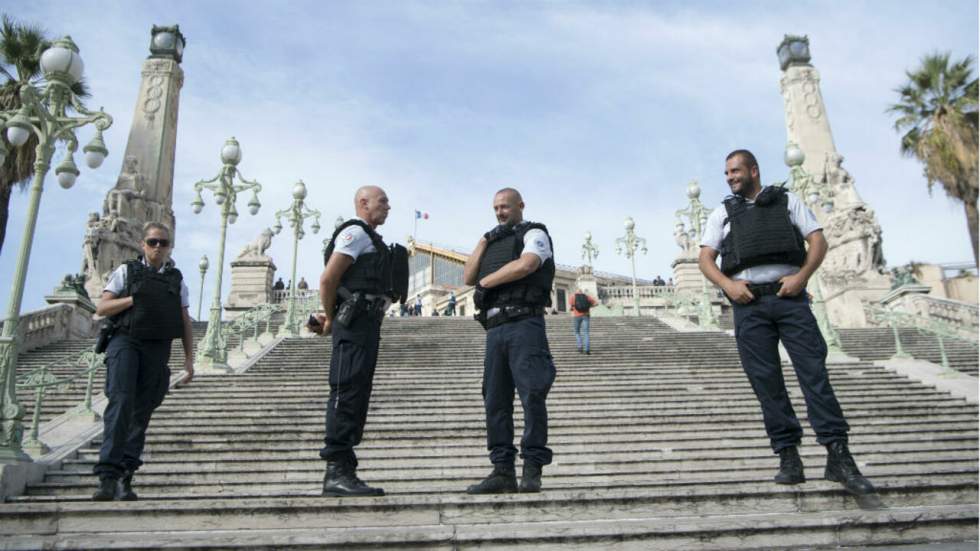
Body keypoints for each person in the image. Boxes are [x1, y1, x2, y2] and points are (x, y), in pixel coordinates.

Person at [698, 149, 874, 497]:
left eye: (735, 171)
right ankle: (788, 456)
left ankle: (838, 454)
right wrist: (728, 285)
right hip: (748, 303)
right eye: (727, 173)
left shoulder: (788, 201)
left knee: (815, 376)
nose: (730, 177)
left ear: (754, 170)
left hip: (789, 297)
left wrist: (802, 277)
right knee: (766, 383)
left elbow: (818, 241)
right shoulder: (722, 212)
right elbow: (705, 258)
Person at [310, 185, 407, 497]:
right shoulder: (357, 233)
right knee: (347, 389)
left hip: (366, 323)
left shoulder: (372, 239)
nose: (388, 207)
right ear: (363, 203)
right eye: (383, 201)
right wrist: (329, 318)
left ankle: (345, 469)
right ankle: (336, 472)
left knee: (358, 392)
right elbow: (328, 279)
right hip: (353, 324)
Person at [463, 187, 557, 494]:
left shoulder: (535, 233)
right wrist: (482, 241)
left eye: (505, 206)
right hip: (495, 328)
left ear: (520, 205)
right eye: (496, 209)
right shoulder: (492, 242)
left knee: (532, 395)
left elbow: (527, 264)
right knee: (495, 400)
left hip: (525, 323)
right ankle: (502, 469)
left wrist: (486, 282)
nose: (500, 212)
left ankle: (532, 467)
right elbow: (467, 276)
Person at [92, 222, 194, 501]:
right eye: (152, 242)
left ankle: (126, 475)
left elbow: (185, 320)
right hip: (125, 340)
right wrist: (133, 300)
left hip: (157, 346)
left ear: (169, 246)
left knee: (141, 412)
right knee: (122, 402)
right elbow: (102, 307)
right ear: (143, 244)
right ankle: (107, 476)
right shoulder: (126, 272)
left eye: (163, 242)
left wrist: (189, 359)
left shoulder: (177, 280)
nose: (157, 247)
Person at [569, 289, 597, 354]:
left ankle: (580, 347)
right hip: (586, 315)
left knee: (577, 332)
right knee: (586, 332)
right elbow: (596, 303)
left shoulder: (572, 297)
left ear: (576, 292)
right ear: (582, 292)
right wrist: (589, 306)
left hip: (577, 316)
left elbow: (571, 307)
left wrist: (573, 308)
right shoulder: (587, 297)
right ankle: (587, 349)